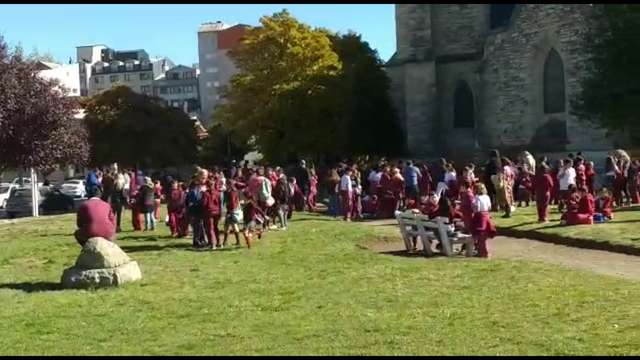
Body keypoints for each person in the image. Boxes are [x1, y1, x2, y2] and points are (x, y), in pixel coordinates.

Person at [471, 183, 497, 258]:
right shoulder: (487, 197)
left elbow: (477, 208)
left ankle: (483, 253)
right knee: (484, 236)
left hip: (479, 216)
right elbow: (489, 207)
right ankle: (482, 252)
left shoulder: (476, 198)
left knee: (480, 235)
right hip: (486, 215)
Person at [202, 179, 222, 249]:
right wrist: (220, 212)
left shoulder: (205, 193)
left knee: (210, 228)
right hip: (217, 212)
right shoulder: (218, 193)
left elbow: (204, 204)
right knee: (216, 227)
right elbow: (220, 204)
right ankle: (219, 242)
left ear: (207, 185)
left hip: (209, 212)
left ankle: (213, 244)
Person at [223, 180, 243, 246]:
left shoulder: (231, 192)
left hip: (231, 211)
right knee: (231, 226)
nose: (225, 185)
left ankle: (227, 242)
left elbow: (232, 203)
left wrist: (230, 212)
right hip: (233, 210)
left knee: (229, 226)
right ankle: (236, 242)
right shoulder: (234, 191)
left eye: (226, 184)